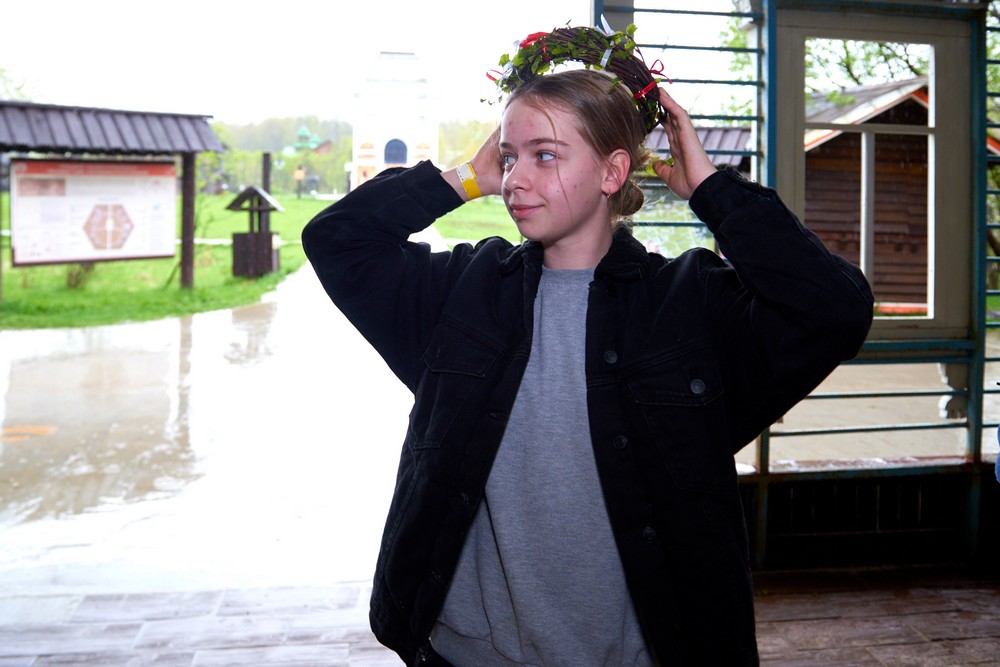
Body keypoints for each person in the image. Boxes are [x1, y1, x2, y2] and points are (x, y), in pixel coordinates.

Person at [302, 25, 873, 667]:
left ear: (612, 171)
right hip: (464, 655)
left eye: (545, 155)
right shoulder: (462, 294)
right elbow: (337, 241)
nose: (515, 179)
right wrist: (464, 177)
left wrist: (714, 191)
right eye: (509, 157)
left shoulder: (688, 307)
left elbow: (834, 310)